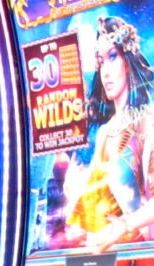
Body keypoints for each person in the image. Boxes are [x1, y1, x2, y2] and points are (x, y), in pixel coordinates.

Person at [65, 16, 154, 252]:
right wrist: (72, 189)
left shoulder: (148, 120)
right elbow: (90, 208)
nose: (105, 71)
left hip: (142, 254)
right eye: (100, 61)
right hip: (108, 257)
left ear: (128, 60)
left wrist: (125, 225)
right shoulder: (106, 131)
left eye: (112, 57)